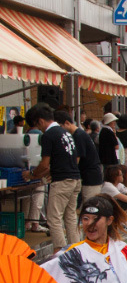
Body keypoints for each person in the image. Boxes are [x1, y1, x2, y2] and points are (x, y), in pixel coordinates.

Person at [22, 103, 81, 251]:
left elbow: (45, 164)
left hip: (62, 181)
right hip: (75, 178)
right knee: (70, 217)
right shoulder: (65, 133)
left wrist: (31, 174)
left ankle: (60, 250)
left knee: (53, 218)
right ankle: (76, 248)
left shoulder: (48, 135)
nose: (39, 129)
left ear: (40, 121)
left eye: (38, 126)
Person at [54, 111, 104, 201]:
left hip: (90, 177)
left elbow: (76, 160)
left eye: (60, 127)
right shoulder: (78, 134)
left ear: (67, 123)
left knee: (90, 207)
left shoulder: (79, 136)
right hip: (89, 176)